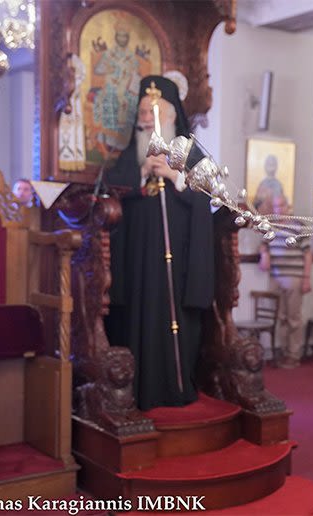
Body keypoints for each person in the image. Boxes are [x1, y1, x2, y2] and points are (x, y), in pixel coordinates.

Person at [104, 75, 214, 411]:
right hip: (138, 260)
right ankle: (140, 390)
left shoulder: (189, 151)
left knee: (176, 321)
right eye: (143, 112)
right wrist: (141, 173)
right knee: (139, 320)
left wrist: (174, 176)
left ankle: (176, 387)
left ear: (170, 115)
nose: (148, 118)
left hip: (179, 261)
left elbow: (209, 195)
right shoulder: (129, 156)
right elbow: (111, 190)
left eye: (155, 111)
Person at [258, 194, 312, 369]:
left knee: (293, 318)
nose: (278, 210)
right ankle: (282, 351)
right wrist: (264, 254)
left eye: (281, 206)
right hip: (276, 277)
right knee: (280, 317)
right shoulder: (270, 225)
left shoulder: (298, 227)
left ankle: (294, 354)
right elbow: (263, 244)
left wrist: (306, 279)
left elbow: (308, 254)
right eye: (275, 206)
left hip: (294, 277)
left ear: (288, 207)